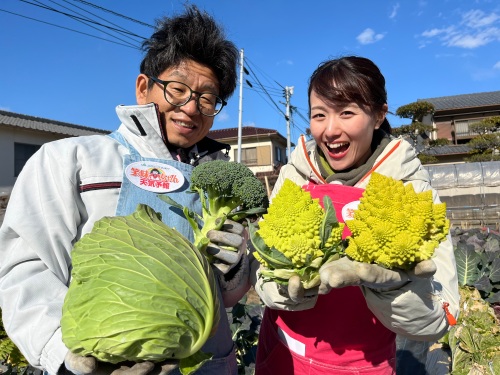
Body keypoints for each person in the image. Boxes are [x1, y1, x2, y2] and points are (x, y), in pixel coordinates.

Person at [0, 5, 249, 375]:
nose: (190, 108)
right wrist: (61, 356)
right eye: (177, 89)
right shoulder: (72, 159)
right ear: (143, 87)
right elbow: (26, 268)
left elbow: (224, 297)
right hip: (102, 361)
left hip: (206, 363)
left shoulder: (217, 179)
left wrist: (236, 273)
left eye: (207, 98)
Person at [250, 56, 460, 374]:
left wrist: (392, 291)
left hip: (362, 364)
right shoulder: (293, 172)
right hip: (281, 353)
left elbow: (439, 317)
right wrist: (280, 289)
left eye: (346, 113)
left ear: (378, 115)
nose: (331, 130)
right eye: (319, 115)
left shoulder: (410, 188)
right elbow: (265, 263)